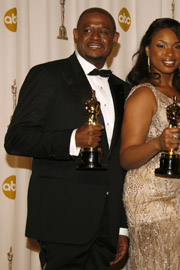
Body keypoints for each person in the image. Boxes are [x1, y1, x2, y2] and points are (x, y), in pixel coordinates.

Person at [4, 7, 130, 270]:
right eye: (88, 30)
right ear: (75, 34)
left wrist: (121, 226)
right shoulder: (47, 75)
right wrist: (73, 139)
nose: (96, 36)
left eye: (104, 31)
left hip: (106, 227)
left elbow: (121, 163)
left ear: (115, 38)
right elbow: (16, 139)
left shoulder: (124, 89)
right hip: (61, 219)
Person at [120, 18, 180, 269]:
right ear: (147, 50)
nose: (169, 54)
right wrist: (158, 143)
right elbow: (126, 157)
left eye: (176, 47)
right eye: (161, 46)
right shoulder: (144, 94)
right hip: (150, 201)